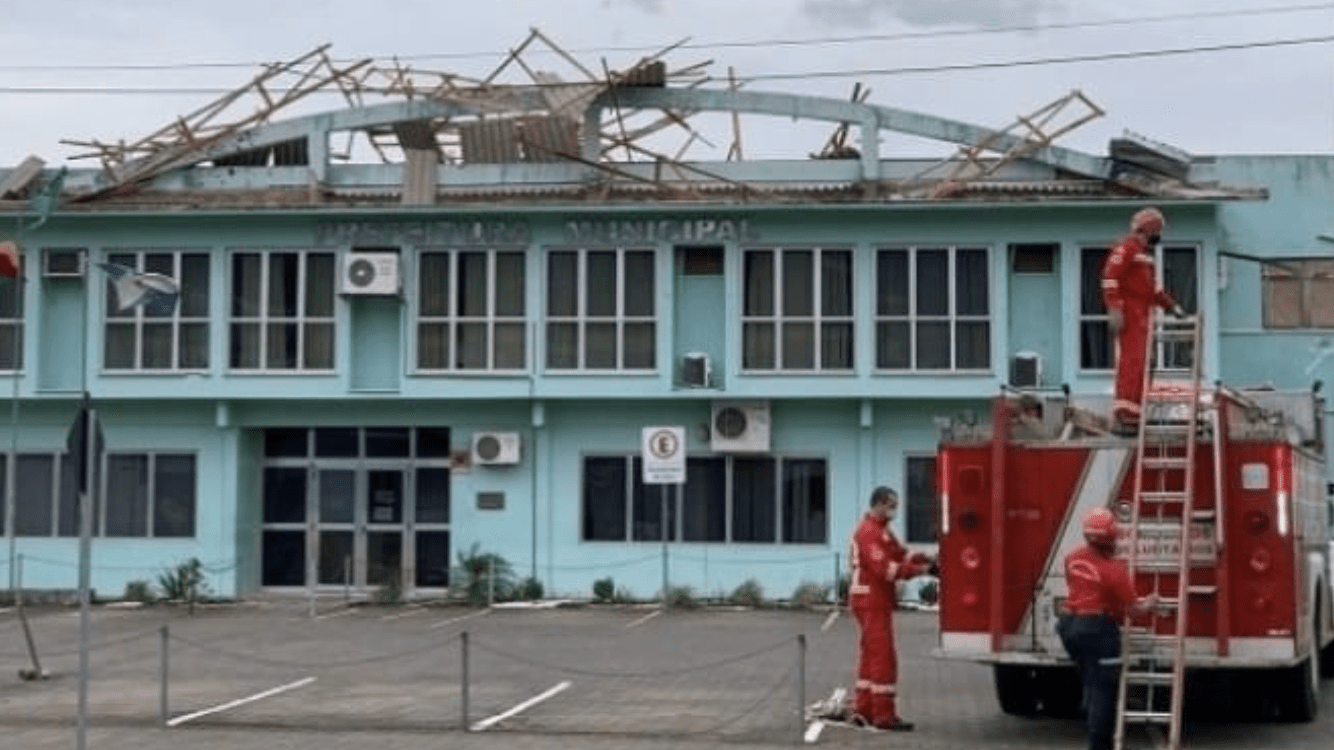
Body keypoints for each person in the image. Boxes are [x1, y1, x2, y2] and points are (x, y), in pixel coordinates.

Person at [1057, 507, 1158, 750]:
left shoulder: (1072, 558)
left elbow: (1079, 589)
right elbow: (1133, 609)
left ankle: (1087, 706)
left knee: (1090, 678)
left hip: (1068, 626)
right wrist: (1150, 603)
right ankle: (1098, 743)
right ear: (1112, 537)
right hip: (1098, 629)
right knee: (1104, 689)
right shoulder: (1114, 571)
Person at [846, 486, 930, 731]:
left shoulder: (881, 531)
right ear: (880, 504)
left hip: (873, 599)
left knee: (871, 655)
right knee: (883, 656)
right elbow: (888, 569)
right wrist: (921, 571)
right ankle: (883, 715)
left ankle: (864, 709)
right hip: (870, 600)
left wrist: (927, 559)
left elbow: (900, 553)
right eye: (892, 505)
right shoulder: (870, 533)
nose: (895, 509)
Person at [1101, 207, 1186, 433]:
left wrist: (1171, 306)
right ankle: (1124, 415)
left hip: (1142, 315)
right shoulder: (1126, 248)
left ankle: (1135, 415)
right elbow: (1110, 278)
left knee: (1142, 366)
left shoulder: (1144, 256)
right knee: (1131, 363)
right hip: (1130, 313)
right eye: (1157, 232)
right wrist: (1115, 308)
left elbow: (1151, 290)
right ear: (1150, 230)